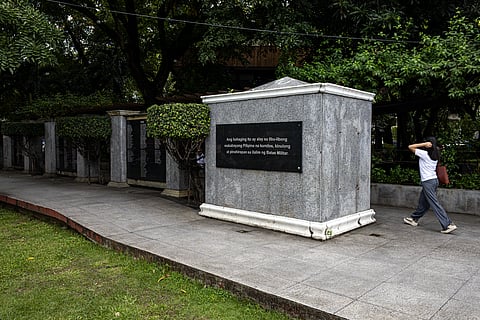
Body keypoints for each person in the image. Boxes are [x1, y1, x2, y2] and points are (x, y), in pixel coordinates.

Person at [403, 137, 457, 234]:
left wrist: (423, 144)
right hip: (434, 181)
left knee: (434, 203)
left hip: (428, 182)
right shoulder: (435, 154)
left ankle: (448, 224)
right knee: (423, 203)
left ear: (429, 144)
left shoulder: (424, 154)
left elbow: (410, 147)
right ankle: (413, 219)